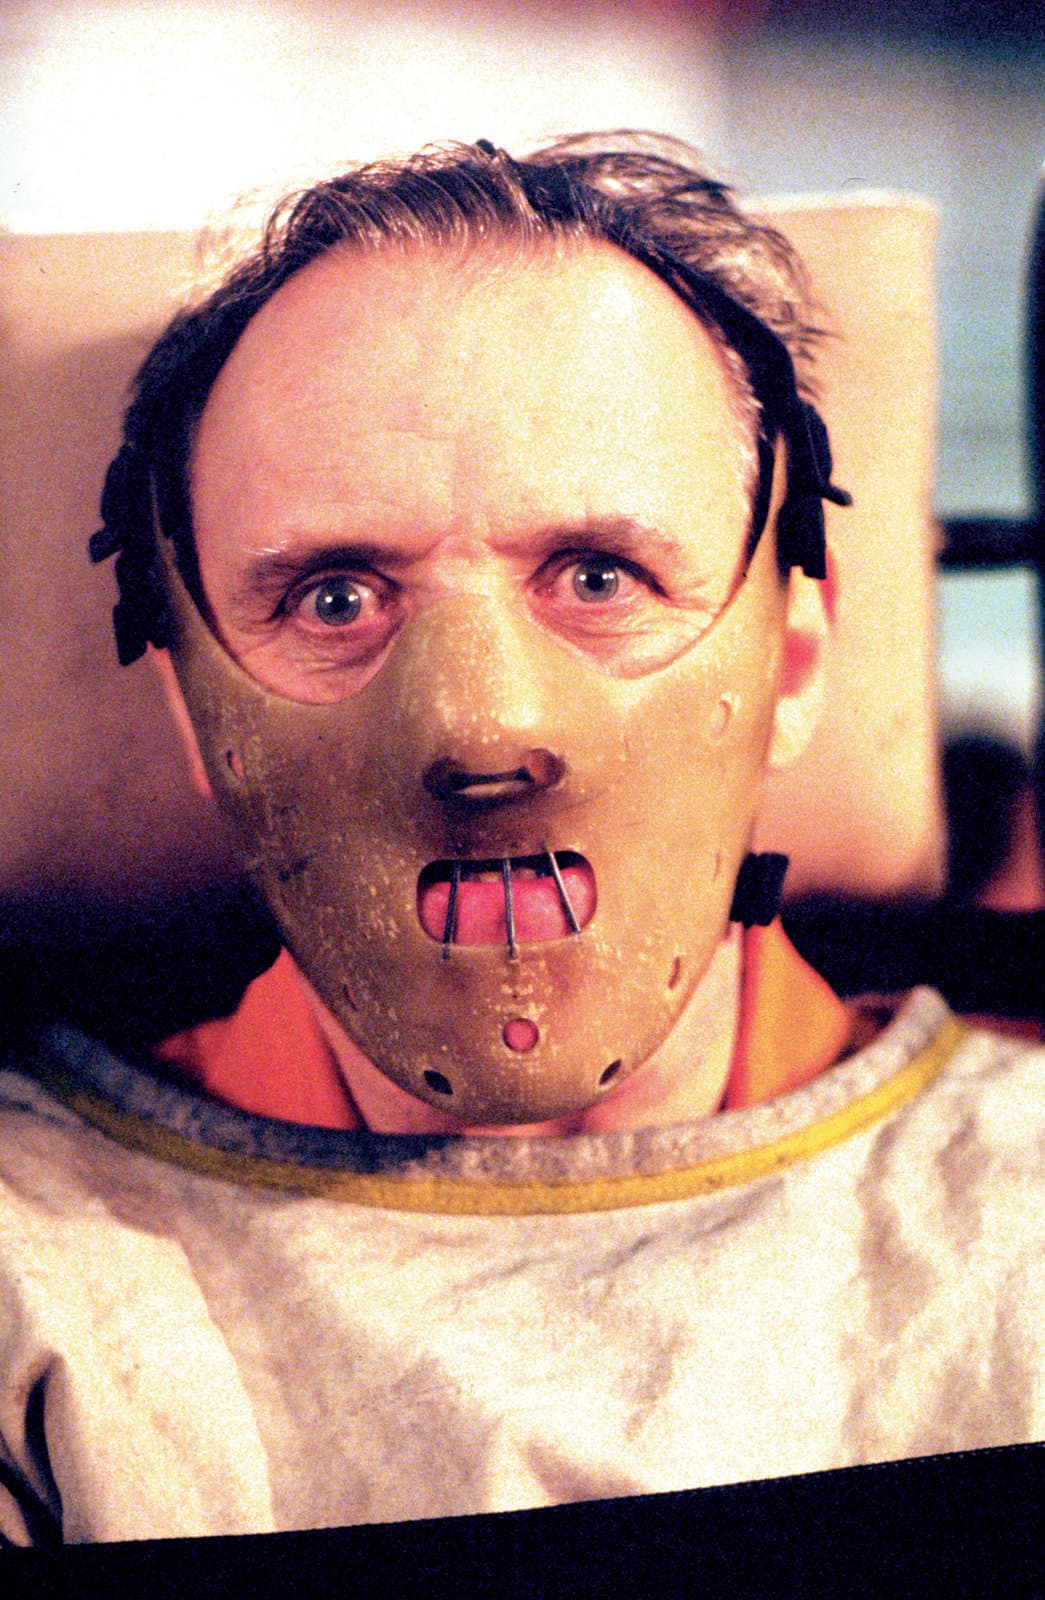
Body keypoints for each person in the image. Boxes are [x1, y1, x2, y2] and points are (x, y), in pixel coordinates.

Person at [0, 134, 1041, 1545]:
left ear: (794, 661)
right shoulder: (33, 1289)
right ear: (195, 713)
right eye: (335, 598)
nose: (484, 736)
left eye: (600, 576)